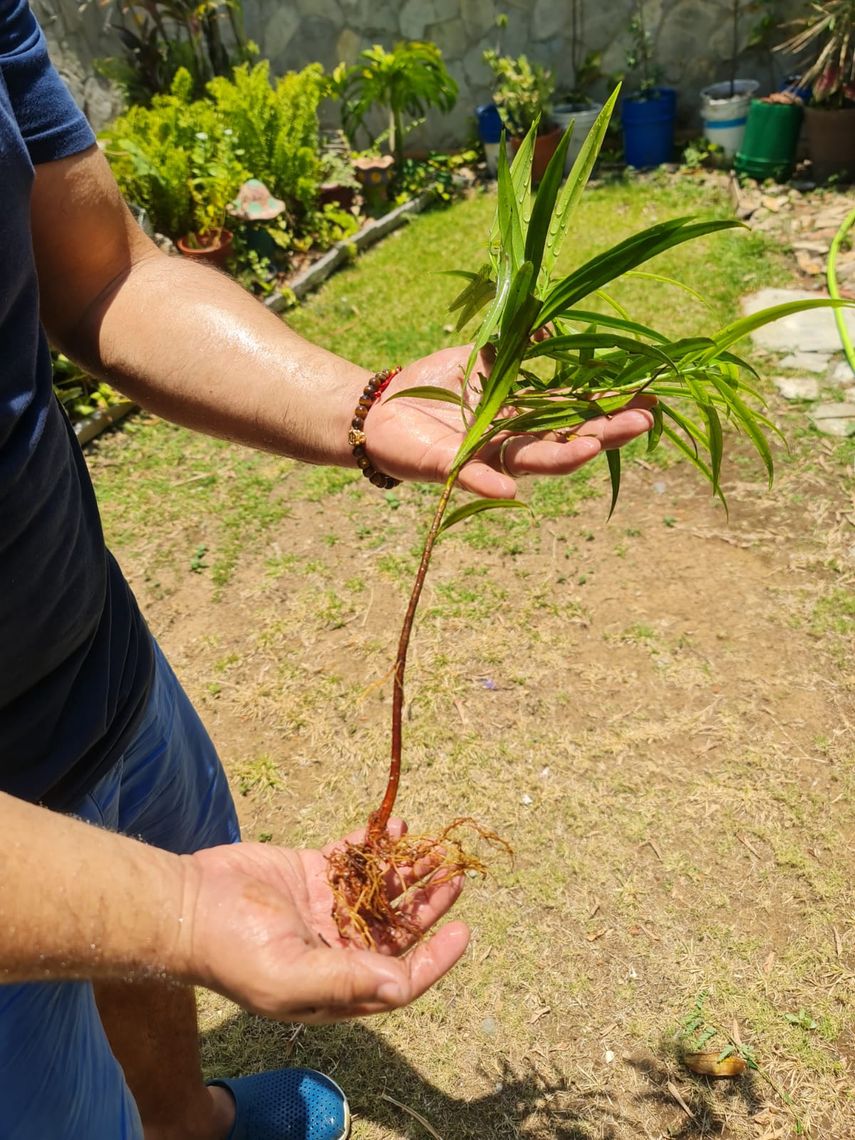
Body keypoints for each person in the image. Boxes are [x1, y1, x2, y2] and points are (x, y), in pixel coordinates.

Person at [0, 2, 656, 1138]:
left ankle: (186, 1124)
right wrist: (185, 913)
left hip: (91, 654)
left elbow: (102, 274)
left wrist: (361, 406)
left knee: (147, 960)